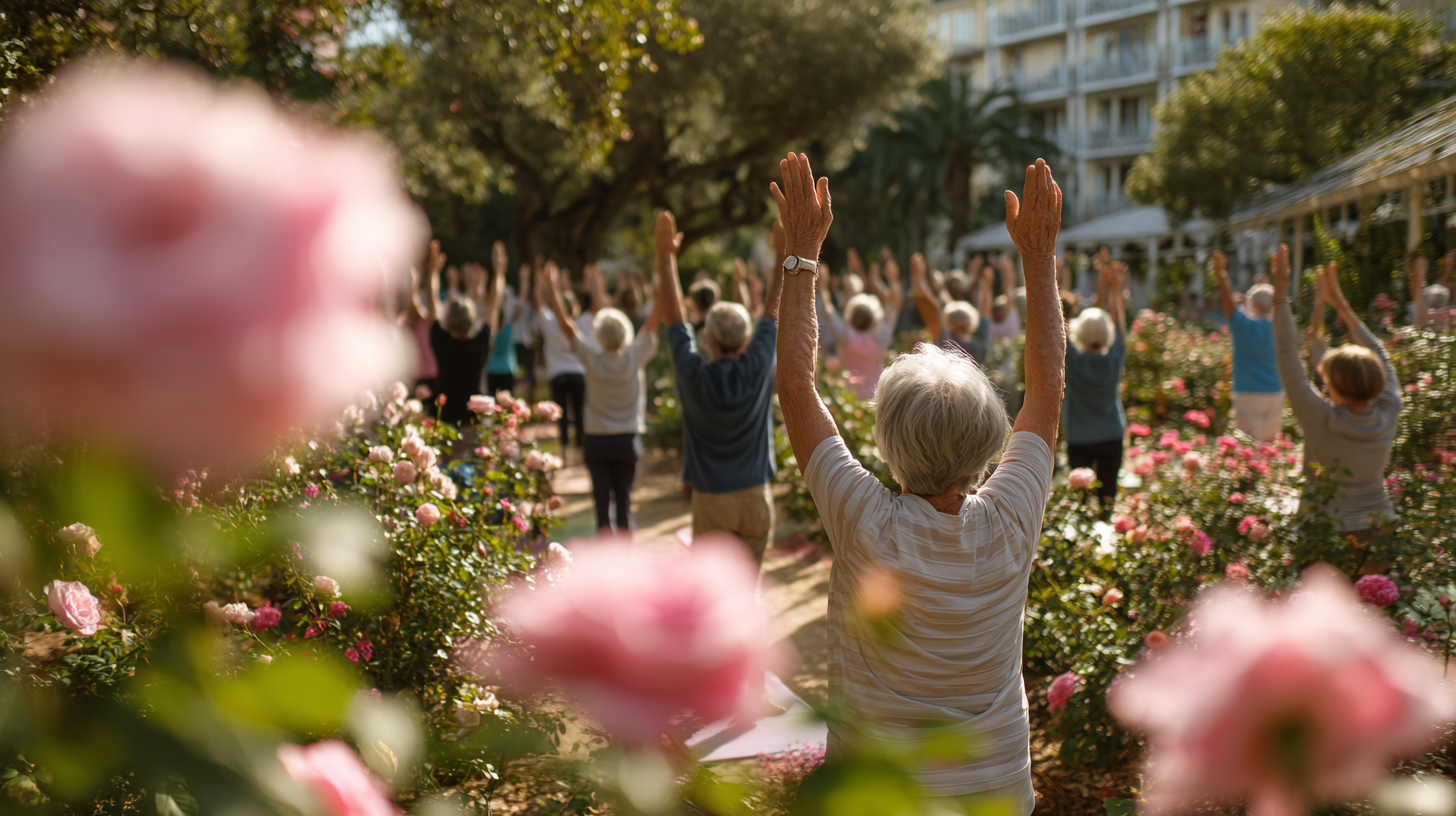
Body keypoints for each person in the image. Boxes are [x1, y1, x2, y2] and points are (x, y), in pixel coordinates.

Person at [773, 152, 1064, 815]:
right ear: (989, 441)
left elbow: (795, 384)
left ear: (887, 440)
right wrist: (1039, 258)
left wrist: (801, 254)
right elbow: (1047, 389)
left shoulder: (863, 519)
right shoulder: (1013, 516)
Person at [661, 209, 784, 564]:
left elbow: (676, 321)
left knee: (714, 595)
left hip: (710, 500)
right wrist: (782, 254)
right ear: (746, 339)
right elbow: (771, 312)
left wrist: (665, 257)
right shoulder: (757, 364)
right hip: (755, 498)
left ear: (709, 340)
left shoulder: (692, 373)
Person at [1271, 247, 1400, 537]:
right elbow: (1379, 351)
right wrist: (1341, 305)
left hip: (1327, 535)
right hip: (1382, 529)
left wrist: (1280, 289)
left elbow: (1286, 349)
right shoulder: (1389, 409)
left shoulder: (1320, 418)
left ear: (1332, 383)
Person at [538, 260, 661, 535]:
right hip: (627, 439)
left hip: (595, 440)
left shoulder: (591, 357)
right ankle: (626, 556)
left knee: (602, 508)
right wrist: (664, 270)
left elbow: (566, 325)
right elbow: (654, 319)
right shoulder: (635, 356)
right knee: (624, 505)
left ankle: (605, 555)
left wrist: (553, 289)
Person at [1063, 260, 1128, 511]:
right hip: (1112, 433)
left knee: (1080, 501)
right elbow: (1119, 323)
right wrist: (1114, 288)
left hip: (1079, 437)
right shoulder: (1115, 358)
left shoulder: (1072, 359)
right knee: (1108, 496)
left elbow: (1060, 327)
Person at [1213, 248, 1283, 441]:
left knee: (1247, 449)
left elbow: (1227, 301)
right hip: (1275, 392)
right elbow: (1280, 305)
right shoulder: (1279, 328)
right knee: (1269, 448)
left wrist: (1220, 273)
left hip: (1247, 394)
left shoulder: (1242, 325)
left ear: (1253, 304)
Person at [429, 249, 504, 427]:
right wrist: (499, 272)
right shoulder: (482, 341)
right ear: (473, 319)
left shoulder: (440, 339)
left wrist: (433, 272)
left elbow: (432, 302)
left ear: (448, 319)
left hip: (445, 415)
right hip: (475, 417)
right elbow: (494, 303)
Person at [818, 256, 902, 399]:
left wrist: (823, 286)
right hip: (876, 394)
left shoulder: (844, 335)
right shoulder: (880, 336)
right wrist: (892, 279)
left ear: (849, 316)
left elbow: (828, 311)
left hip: (849, 397)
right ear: (875, 317)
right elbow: (894, 306)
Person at [533, 261, 588, 462]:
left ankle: (565, 453)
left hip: (557, 374)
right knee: (580, 414)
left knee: (561, 414)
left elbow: (538, 302)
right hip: (579, 373)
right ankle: (580, 453)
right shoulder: (581, 323)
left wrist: (542, 282)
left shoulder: (549, 321)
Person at [911, 253, 994, 366]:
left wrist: (918, 277)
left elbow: (985, 310)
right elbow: (930, 308)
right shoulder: (946, 339)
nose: (958, 315)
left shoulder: (947, 340)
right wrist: (918, 278)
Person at [405, 240, 448, 398]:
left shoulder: (436, 314)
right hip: (415, 374)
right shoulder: (415, 315)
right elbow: (414, 304)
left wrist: (432, 273)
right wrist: (415, 281)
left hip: (434, 375)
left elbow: (432, 295)